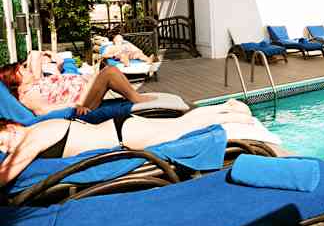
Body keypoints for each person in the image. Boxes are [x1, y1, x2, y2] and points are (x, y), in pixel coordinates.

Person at [0, 99, 269, 186]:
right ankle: (227, 109)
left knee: (183, 127)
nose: (4, 149)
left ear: (12, 127)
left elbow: (7, 173)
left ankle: (232, 113)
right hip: (121, 130)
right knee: (180, 124)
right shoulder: (36, 131)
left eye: (1, 142)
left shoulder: (33, 136)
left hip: (124, 135)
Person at [0, 51, 155, 117]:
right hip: (81, 103)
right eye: (22, 70)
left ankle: (132, 95)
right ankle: (137, 99)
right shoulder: (27, 96)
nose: (27, 69)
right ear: (15, 79)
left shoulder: (35, 83)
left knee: (106, 69)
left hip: (83, 92)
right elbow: (43, 111)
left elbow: (36, 55)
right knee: (110, 72)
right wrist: (74, 106)